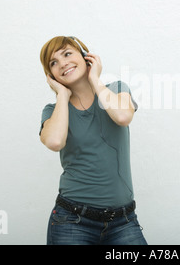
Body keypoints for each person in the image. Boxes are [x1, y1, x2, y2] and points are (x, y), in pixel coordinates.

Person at [39, 36, 147, 245]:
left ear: (85, 57)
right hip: (71, 221)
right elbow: (54, 142)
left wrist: (94, 79)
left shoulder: (116, 89)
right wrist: (62, 94)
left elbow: (123, 117)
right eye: (53, 63)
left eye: (67, 54)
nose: (62, 63)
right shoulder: (52, 111)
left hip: (123, 222)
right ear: (51, 75)